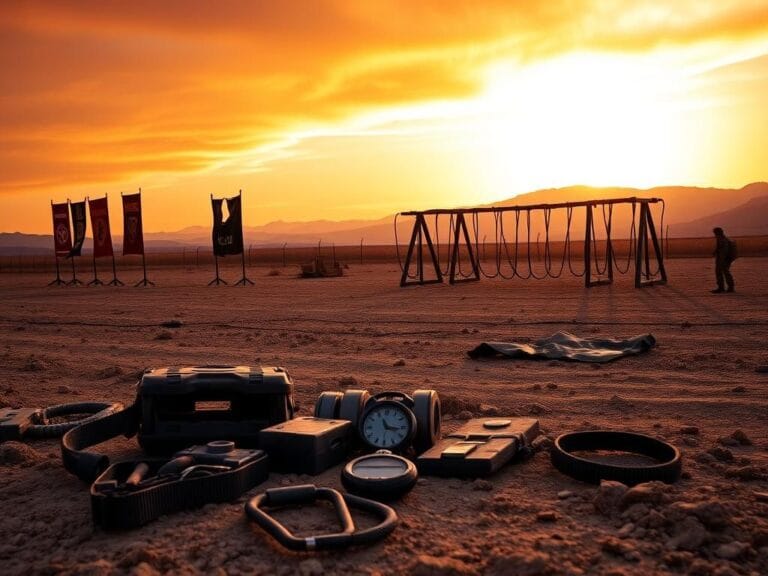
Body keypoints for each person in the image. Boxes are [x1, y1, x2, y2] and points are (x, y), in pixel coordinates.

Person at [711, 227, 735, 293]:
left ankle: (729, 288)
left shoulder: (723, 240)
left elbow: (724, 251)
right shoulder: (721, 239)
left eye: (715, 233)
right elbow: (719, 248)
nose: (714, 234)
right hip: (722, 259)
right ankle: (722, 287)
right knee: (720, 272)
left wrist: (722, 259)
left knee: (724, 272)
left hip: (723, 259)